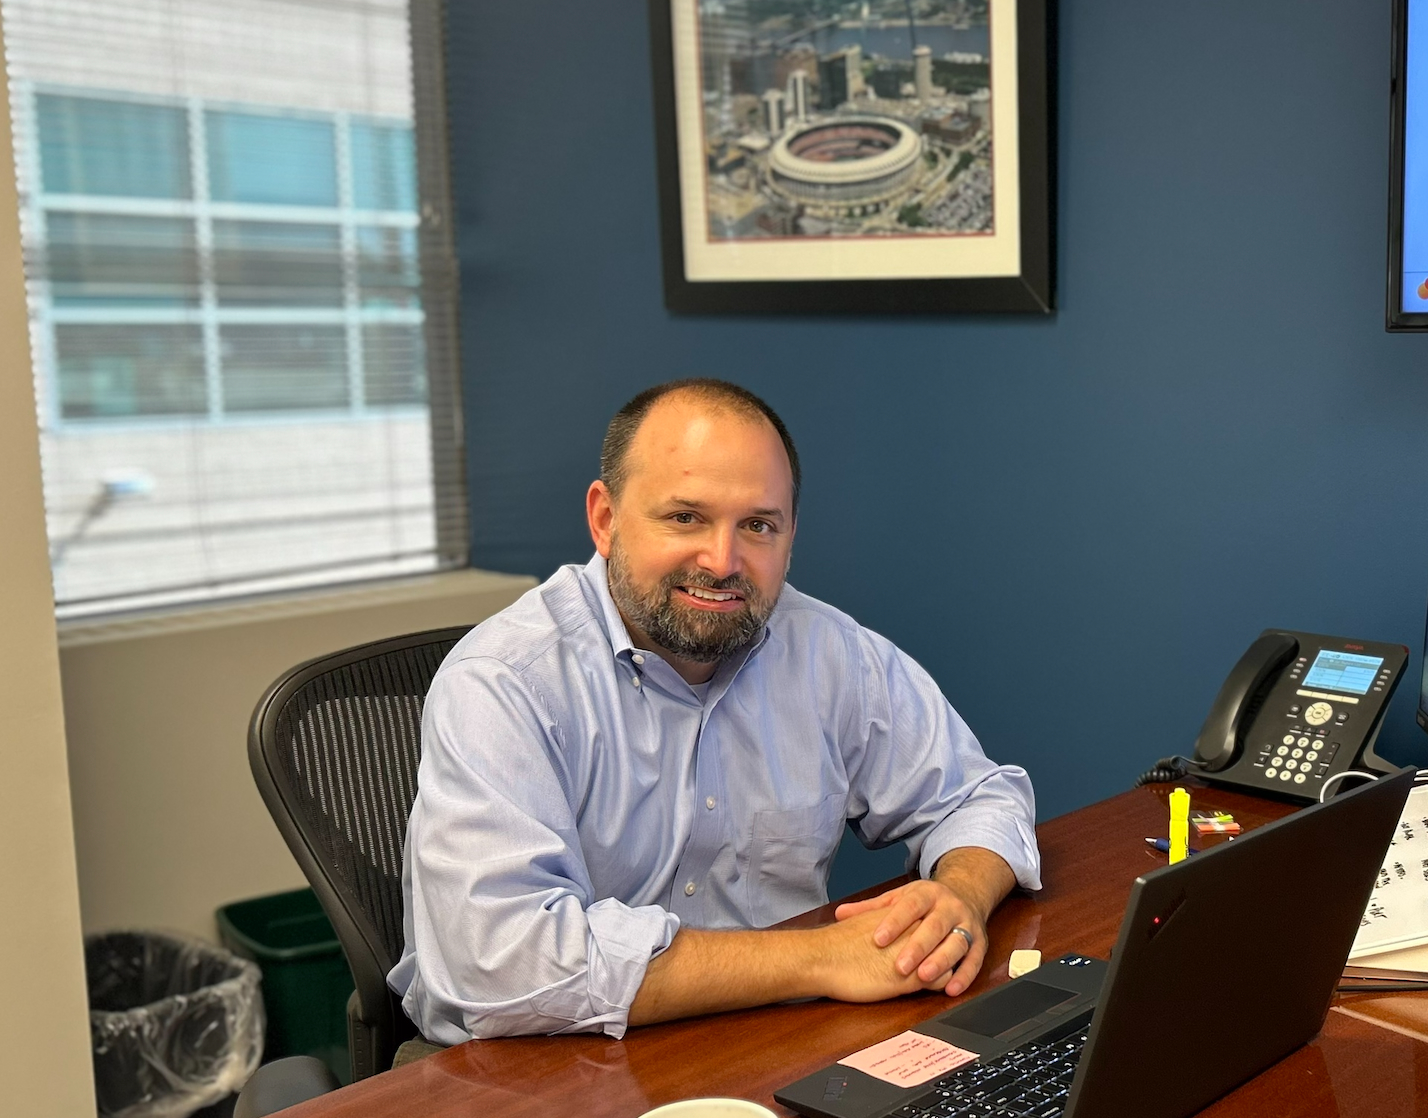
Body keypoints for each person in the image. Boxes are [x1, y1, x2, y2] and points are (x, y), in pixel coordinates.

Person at [392, 378, 1038, 1043]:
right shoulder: (504, 682)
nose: (723, 561)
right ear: (605, 519)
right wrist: (823, 957)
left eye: (758, 526)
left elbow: (979, 797)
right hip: (535, 1075)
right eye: (685, 518)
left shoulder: (829, 651)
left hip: (767, 1043)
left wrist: (960, 895)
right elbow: (503, 963)